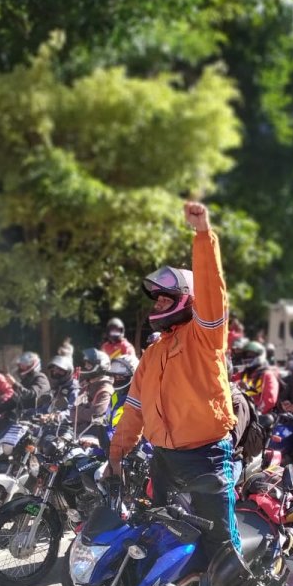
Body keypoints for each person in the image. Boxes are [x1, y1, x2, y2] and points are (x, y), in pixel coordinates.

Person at [108, 200, 241, 560]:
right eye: (156, 301)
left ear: (187, 300)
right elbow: (132, 410)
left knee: (221, 547)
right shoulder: (152, 354)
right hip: (163, 458)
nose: (157, 306)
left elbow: (213, 296)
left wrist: (203, 236)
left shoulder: (204, 337)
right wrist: (116, 457)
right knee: (160, 535)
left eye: (166, 300)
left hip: (206, 456)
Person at [74, 348, 114, 435]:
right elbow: (74, 408)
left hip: (94, 438)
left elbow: (94, 414)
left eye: (88, 365)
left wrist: (77, 411)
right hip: (79, 432)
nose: (85, 367)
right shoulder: (88, 385)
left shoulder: (105, 389)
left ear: (99, 367)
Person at [236, 341, 280, 414]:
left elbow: (270, 400)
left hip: (260, 415)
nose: (247, 358)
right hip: (243, 412)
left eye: (251, 355)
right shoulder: (242, 373)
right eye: (245, 355)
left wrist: (257, 413)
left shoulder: (267, 375)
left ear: (260, 355)